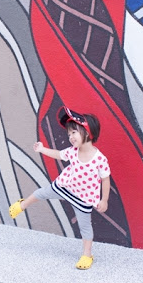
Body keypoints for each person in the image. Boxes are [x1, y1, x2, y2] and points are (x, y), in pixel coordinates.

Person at [9, 106, 111, 270]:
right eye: (69, 134)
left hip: (83, 198)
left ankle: (87, 254)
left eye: (74, 132)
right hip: (65, 186)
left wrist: (104, 200)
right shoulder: (73, 151)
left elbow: (105, 180)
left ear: (88, 132)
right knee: (42, 193)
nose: (70, 137)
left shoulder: (100, 159)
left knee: (85, 227)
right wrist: (42, 149)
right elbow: (58, 154)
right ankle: (22, 204)